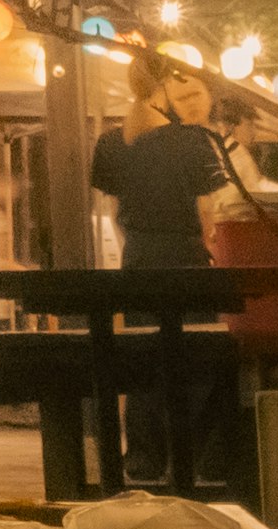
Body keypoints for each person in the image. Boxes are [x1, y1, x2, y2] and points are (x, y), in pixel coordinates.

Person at [92, 61, 233, 485]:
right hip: (186, 258)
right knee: (194, 360)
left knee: (142, 362)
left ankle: (142, 461)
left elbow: (115, 212)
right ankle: (193, 461)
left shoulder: (110, 143)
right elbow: (208, 212)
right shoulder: (192, 141)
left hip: (137, 260)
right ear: (164, 90)